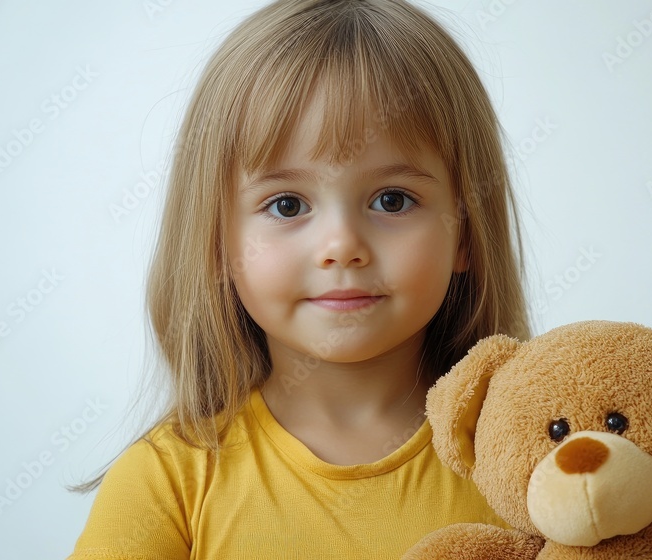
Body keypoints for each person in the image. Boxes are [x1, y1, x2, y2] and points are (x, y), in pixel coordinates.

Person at [67, 0, 530, 557]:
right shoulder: (168, 482)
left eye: (392, 199)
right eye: (287, 205)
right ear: (217, 242)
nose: (341, 246)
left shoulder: (536, 462)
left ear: (468, 233)